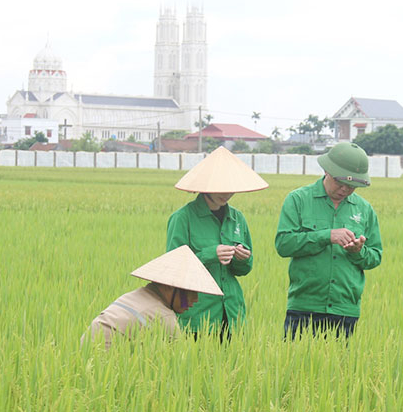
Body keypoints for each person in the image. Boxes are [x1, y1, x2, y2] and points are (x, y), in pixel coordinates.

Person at [274, 142, 382, 338]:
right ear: (326, 171)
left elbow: (375, 256)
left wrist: (359, 252)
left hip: (345, 310)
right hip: (304, 307)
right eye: (340, 182)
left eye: (352, 186)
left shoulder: (364, 209)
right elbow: (283, 244)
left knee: (340, 368)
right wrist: (327, 236)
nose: (345, 189)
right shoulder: (298, 199)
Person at [166, 146, 268, 340]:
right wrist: (211, 254)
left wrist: (242, 258)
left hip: (232, 314)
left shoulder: (237, 218)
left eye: (231, 187)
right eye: (221, 187)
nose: (227, 193)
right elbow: (173, 268)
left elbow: (244, 270)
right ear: (206, 185)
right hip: (197, 315)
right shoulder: (183, 218)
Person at [86, 245, 223, 347]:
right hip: (103, 365)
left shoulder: (132, 296)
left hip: (85, 355)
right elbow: (176, 367)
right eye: (190, 292)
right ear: (169, 286)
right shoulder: (163, 317)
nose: (195, 300)